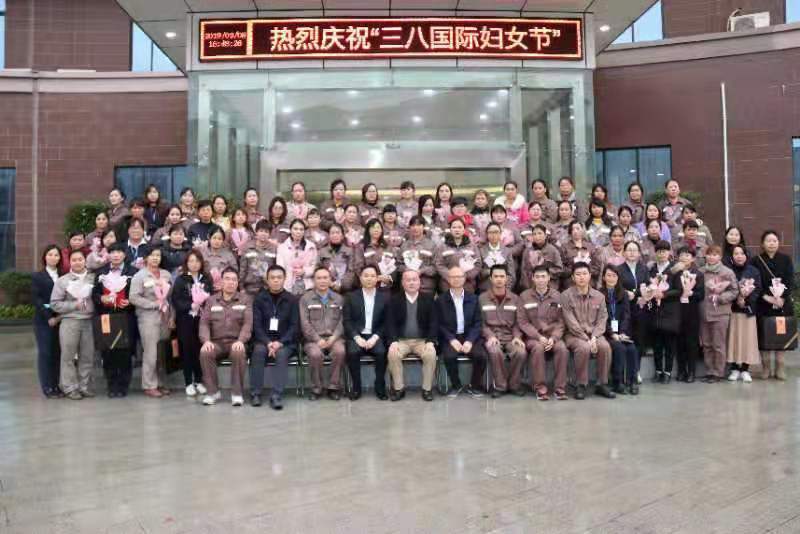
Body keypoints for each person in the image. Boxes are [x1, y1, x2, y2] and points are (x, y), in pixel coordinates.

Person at [199, 268, 253, 407]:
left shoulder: (245, 300)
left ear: (237, 283)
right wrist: (206, 341)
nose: (230, 282)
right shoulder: (211, 300)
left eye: (234, 280)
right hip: (216, 342)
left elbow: (248, 324)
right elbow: (204, 323)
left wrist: (241, 341)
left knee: (238, 351)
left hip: (236, 341)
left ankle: (237, 393)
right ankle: (212, 392)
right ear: (221, 281)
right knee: (205, 352)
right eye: (227, 279)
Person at [560, 262, 615, 400]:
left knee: (605, 347)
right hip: (574, 335)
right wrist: (587, 339)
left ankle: (602, 383)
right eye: (578, 274)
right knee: (583, 348)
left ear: (590, 276)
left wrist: (594, 337)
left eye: (584, 274)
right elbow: (570, 322)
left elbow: (602, 319)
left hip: (595, 334)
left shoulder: (599, 296)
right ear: (573, 277)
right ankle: (581, 384)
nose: (581, 277)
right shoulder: (566, 296)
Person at [91, 243, 137, 398]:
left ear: (124, 254)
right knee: (108, 352)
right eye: (113, 252)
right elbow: (94, 294)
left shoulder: (133, 272)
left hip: (126, 316)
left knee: (125, 352)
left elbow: (138, 293)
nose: (116, 255)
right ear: (108, 254)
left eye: (119, 252)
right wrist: (101, 298)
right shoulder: (100, 272)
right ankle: (111, 385)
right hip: (106, 316)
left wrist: (130, 302)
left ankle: (123, 385)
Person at [49, 249, 96, 400]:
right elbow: (54, 304)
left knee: (87, 356)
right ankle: (69, 387)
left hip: (89, 321)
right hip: (70, 321)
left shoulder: (93, 278)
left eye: (80, 259)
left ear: (85, 261)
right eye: (74, 260)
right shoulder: (63, 281)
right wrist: (73, 305)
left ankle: (84, 386)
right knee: (68, 356)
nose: (77, 262)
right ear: (69, 262)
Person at [385, 270, 438, 401]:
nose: (411, 283)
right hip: (401, 340)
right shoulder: (394, 300)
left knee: (430, 354)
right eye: (408, 280)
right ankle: (399, 389)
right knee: (393, 353)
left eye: (414, 279)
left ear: (419, 282)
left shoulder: (429, 299)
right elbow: (389, 323)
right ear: (402, 283)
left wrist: (430, 341)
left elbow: (434, 322)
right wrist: (393, 341)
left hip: (422, 341)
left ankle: (427, 389)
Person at [250, 265, 298, 409]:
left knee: (281, 354)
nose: (276, 280)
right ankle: (256, 393)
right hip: (263, 340)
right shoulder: (259, 299)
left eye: (279, 277)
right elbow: (256, 325)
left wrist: (280, 342)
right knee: (258, 351)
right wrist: (268, 342)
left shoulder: (292, 300)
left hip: (285, 342)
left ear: (284, 279)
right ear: (267, 280)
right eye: (272, 278)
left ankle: (276, 395)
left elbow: (295, 326)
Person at [518, 265, 568, 400]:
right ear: (533, 278)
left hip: (552, 336)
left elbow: (561, 321)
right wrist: (538, 337)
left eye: (543, 276)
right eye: (537, 277)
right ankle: (539, 388)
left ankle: (560, 388)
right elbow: (523, 322)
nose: (540, 280)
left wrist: (554, 338)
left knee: (562, 348)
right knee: (538, 348)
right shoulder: (524, 296)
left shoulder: (557, 296)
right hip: (533, 337)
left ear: (549, 278)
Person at [129, 245, 173, 398]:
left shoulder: (166, 274)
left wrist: (171, 316)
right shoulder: (139, 276)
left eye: (158, 255)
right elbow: (133, 297)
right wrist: (153, 304)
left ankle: (161, 383)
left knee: (161, 353)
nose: (155, 258)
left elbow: (170, 298)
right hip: (148, 317)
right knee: (150, 352)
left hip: (164, 316)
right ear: (146, 257)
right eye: (152, 255)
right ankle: (149, 385)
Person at [437, 266, 487, 398]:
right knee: (449, 356)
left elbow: (478, 323)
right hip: (450, 336)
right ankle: (456, 386)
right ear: (448, 279)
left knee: (480, 356)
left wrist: (470, 341)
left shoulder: (473, 299)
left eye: (459, 276)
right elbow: (440, 324)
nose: (456, 279)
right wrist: (451, 339)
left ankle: (474, 386)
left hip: (469, 336)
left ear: (464, 279)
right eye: (453, 277)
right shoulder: (441, 300)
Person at [752, 230, 795, 380]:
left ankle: (780, 367)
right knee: (764, 335)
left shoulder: (786, 259)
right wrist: (766, 297)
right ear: (762, 244)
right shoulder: (756, 261)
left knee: (780, 335)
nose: (772, 243)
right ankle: (765, 367)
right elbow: (754, 282)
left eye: (774, 241)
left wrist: (782, 297)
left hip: (782, 304)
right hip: (763, 304)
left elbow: (790, 280)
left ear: (778, 243)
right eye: (768, 241)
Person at [299, 267, 347, 401]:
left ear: (331, 280)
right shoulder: (305, 299)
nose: (322, 281)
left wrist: (334, 337)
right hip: (312, 339)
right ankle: (317, 388)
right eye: (319, 278)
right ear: (313, 281)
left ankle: (333, 387)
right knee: (315, 354)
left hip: (335, 338)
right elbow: (305, 323)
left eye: (325, 278)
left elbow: (343, 321)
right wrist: (317, 339)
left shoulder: (339, 298)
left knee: (340, 351)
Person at [479, 264, 527, 397]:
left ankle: (514, 385)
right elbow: (481, 323)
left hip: (510, 337)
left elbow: (518, 322)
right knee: (495, 351)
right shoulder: (482, 298)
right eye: (496, 276)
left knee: (520, 352)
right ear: (490, 279)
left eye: (502, 276)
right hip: (492, 336)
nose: (499, 279)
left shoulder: (515, 298)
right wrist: (489, 336)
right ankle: (500, 386)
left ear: (507, 279)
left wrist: (517, 337)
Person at [171, 250, 213, 398]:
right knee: (187, 350)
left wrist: (203, 305)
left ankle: (199, 380)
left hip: (202, 319)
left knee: (200, 350)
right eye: (191, 261)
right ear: (186, 263)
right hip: (186, 319)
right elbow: (176, 300)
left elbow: (211, 297)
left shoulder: (206, 278)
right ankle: (188, 382)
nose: (194, 264)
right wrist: (191, 305)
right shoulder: (181, 279)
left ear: (201, 263)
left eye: (197, 261)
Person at [343, 266, 389, 400]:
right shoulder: (351, 297)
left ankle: (380, 386)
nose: (369, 279)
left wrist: (375, 338)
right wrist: (357, 337)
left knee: (381, 352)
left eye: (372, 276)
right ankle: (356, 388)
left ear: (377, 278)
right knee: (352, 352)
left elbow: (386, 322)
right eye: (366, 275)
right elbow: (347, 321)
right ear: (360, 278)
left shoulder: (385, 297)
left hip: (375, 335)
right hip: (357, 335)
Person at [699, 245, 739, 383]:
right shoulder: (701, 271)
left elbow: (734, 291)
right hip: (704, 312)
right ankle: (709, 371)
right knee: (707, 344)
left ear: (720, 257)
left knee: (718, 344)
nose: (711, 257)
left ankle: (718, 372)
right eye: (709, 254)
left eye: (715, 255)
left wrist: (720, 297)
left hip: (720, 313)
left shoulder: (727, 272)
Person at [600, 265, 640, 395]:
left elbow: (626, 315)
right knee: (619, 347)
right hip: (606, 333)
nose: (611, 278)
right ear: (603, 277)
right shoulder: (599, 294)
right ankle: (617, 382)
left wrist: (622, 332)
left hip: (621, 332)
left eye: (614, 275)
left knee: (632, 348)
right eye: (608, 275)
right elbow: (601, 318)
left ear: (618, 278)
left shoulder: (623, 294)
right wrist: (612, 333)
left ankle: (632, 381)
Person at [647, 240, 681, 384]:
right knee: (657, 344)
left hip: (670, 310)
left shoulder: (674, 269)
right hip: (655, 311)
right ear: (655, 253)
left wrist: (664, 294)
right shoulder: (652, 269)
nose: (661, 254)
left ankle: (667, 372)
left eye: (664, 251)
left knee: (669, 344)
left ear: (669, 252)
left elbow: (679, 290)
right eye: (659, 251)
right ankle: (658, 371)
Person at [726, 245, 762, 383]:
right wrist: (737, 299)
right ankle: (734, 368)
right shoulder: (728, 271)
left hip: (748, 311)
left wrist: (746, 300)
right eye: (736, 253)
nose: (739, 256)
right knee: (733, 339)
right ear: (732, 256)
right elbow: (726, 288)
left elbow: (758, 289)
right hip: (732, 310)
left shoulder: (753, 271)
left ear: (746, 255)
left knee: (748, 340)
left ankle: (745, 369)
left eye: (742, 253)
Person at [32, 245, 63, 398]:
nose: (53, 257)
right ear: (45, 257)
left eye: (56, 255)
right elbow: (37, 300)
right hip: (44, 321)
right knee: (46, 353)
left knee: (57, 353)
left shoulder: (63, 275)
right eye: (50, 254)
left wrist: (60, 316)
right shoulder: (38, 276)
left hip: (61, 319)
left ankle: (56, 385)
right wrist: (49, 316)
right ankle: (47, 387)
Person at [435, 217, 481, 293]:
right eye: (454, 227)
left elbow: (478, 264)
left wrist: (465, 276)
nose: (457, 230)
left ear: (464, 230)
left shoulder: (472, 246)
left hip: (467, 285)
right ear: (450, 230)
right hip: (447, 285)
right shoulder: (443, 246)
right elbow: (439, 264)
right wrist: (452, 276)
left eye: (460, 227)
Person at [276, 218, 317, 295]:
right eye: (295, 229)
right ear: (290, 230)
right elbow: (280, 268)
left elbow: (314, 266)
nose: (298, 232)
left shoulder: (311, 246)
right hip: (288, 286)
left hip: (307, 285)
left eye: (301, 229)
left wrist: (304, 271)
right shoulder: (282, 247)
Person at [398, 215, 438, 294]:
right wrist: (405, 269)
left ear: (424, 227)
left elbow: (436, 267)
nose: (415, 228)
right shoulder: (404, 245)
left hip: (425, 288)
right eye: (413, 225)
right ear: (409, 227)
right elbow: (398, 265)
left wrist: (421, 271)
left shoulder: (432, 245)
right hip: (406, 288)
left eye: (418, 225)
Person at [353, 219, 397, 290]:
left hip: (385, 285)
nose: (376, 230)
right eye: (373, 227)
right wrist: (374, 277)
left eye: (378, 227)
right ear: (368, 230)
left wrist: (389, 278)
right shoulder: (361, 246)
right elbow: (358, 267)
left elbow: (393, 265)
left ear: (381, 230)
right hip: (367, 285)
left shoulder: (387, 246)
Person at [239, 219, 277, 295]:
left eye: (266, 232)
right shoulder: (247, 247)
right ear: (256, 232)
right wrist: (241, 287)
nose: (263, 234)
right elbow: (243, 269)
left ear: (269, 234)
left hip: (267, 288)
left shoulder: (274, 249)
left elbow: (275, 268)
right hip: (249, 287)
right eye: (261, 231)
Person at [520, 224, 562, 292]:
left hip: (549, 287)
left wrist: (545, 272)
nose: (537, 236)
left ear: (545, 235)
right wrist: (527, 287)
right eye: (534, 234)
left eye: (540, 233)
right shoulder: (527, 251)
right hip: (531, 287)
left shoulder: (553, 250)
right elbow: (523, 271)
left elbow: (559, 269)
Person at [317, 223, 357, 293]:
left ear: (342, 235)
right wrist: (329, 283)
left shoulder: (350, 251)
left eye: (337, 233)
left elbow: (351, 271)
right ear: (329, 235)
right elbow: (318, 269)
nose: (335, 235)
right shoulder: (322, 251)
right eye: (332, 233)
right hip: (326, 288)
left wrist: (340, 285)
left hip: (345, 289)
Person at [478, 222, 517, 293]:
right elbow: (478, 273)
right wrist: (489, 271)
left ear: (500, 233)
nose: (493, 235)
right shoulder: (481, 250)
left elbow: (511, 274)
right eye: (490, 232)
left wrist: (506, 290)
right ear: (487, 234)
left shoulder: (507, 251)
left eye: (496, 232)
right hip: (485, 290)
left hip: (504, 290)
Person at [560, 220, 597, 289]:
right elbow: (561, 268)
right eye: (573, 229)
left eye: (578, 228)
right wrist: (574, 269)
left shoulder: (590, 246)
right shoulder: (564, 247)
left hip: (589, 282)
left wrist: (586, 269)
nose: (575, 231)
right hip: (571, 282)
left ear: (582, 230)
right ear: (570, 232)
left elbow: (596, 267)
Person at [201, 226, 238, 291]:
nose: (217, 241)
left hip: (224, 289)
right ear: (209, 238)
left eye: (220, 239)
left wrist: (224, 285)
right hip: (205, 288)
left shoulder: (228, 255)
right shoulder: (202, 254)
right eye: (214, 238)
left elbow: (235, 272)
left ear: (223, 240)